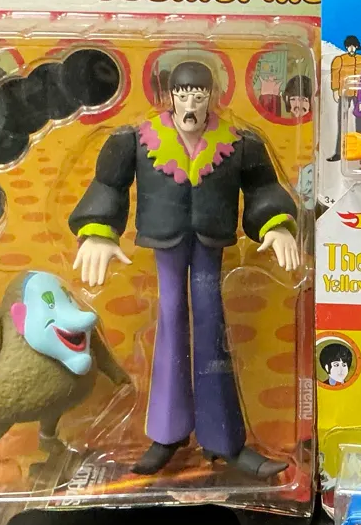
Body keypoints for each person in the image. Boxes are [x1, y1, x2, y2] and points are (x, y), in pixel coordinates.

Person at [69, 61, 299, 479]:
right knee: (171, 318)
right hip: (166, 243)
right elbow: (108, 185)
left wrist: (276, 224)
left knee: (211, 324)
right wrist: (99, 232)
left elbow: (263, 188)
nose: (190, 104)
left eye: (199, 95)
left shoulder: (238, 143)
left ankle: (224, 440)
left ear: (212, 97)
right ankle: (167, 432)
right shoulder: (137, 140)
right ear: (169, 97)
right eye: (183, 95)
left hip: (211, 244)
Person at [328, 36, 361, 161]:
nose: (351, 48)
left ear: (356, 47)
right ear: (346, 47)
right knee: (342, 121)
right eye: (349, 46)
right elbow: (335, 75)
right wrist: (335, 90)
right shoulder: (340, 60)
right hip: (344, 93)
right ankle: (339, 152)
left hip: (360, 94)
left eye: (353, 46)